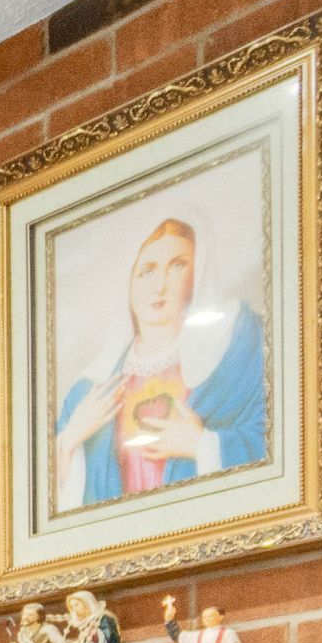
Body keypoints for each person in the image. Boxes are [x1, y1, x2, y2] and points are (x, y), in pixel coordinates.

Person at [53, 215, 267, 509]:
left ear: (199, 272)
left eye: (177, 266)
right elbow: (40, 503)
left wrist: (202, 445)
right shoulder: (89, 390)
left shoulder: (238, 350)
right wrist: (69, 440)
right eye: (147, 271)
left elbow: (285, 441)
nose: (159, 287)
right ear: (128, 282)